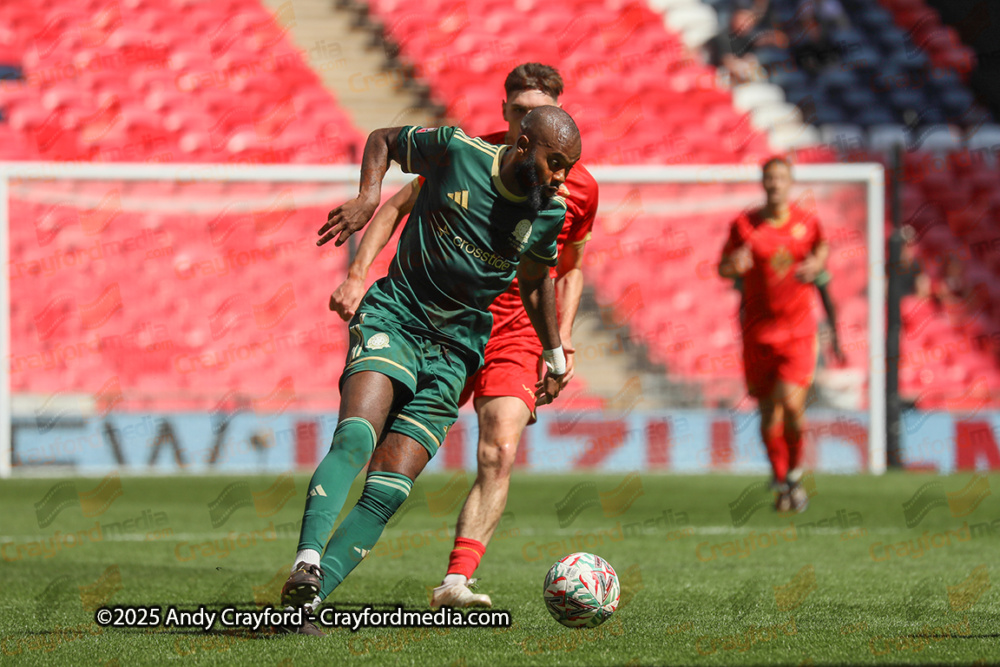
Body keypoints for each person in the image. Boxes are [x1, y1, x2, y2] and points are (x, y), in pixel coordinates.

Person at [278, 106, 582, 634]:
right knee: (355, 437)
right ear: (523, 142)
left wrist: (555, 352)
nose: (560, 177)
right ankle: (304, 562)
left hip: (457, 349)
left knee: (392, 485)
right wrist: (369, 197)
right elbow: (382, 137)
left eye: (568, 167)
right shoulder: (458, 151)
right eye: (554, 161)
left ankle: (305, 603)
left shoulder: (548, 213)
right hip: (397, 315)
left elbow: (535, 283)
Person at [718, 156, 828, 512]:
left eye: (781, 178)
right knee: (768, 413)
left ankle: (794, 474)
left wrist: (819, 263)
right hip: (757, 332)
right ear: (763, 183)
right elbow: (722, 266)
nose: (775, 184)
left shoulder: (807, 223)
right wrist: (733, 266)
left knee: (792, 407)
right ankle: (783, 481)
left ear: (790, 182)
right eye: (769, 178)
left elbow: (821, 248)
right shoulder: (744, 225)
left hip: (797, 331)